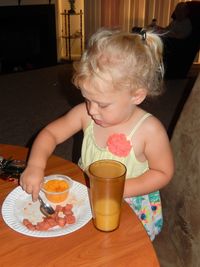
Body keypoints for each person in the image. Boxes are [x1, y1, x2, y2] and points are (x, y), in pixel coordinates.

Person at [20, 28, 174, 241]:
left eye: (102, 104)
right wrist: (35, 165)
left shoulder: (150, 130)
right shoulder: (85, 114)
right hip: (88, 193)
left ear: (136, 95)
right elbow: (50, 134)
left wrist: (117, 189)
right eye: (87, 99)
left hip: (129, 204)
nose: (92, 110)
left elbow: (163, 172)